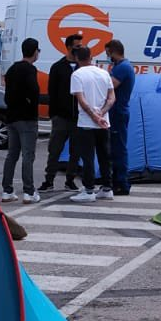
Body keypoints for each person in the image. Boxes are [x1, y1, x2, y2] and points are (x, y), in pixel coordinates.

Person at [67, 44, 114, 203]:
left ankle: (89, 190)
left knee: (88, 157)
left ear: (77, 58)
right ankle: (107, 188)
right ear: (91, 56)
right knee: (104, 156)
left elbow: (81, 100)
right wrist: (102, 112)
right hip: (104, 122)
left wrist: (94, 115)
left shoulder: (77, 75)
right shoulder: (104, 73)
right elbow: (112, 98)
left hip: (87, 123)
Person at [1, 38, 42, 202]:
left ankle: (7, 190)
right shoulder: (30, 70)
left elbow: (7, 94)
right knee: (28, 155)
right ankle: (29, 191)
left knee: (12, 154)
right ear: (34, 52)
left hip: (12, 117)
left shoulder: (12, 69)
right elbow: (34, 92)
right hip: (27, 118)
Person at [40, 34, 82, 192]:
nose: (79, 49)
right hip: (61, 117)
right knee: (55, 149)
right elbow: (52, 92)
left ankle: (70, 180)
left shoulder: (81, 67)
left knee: (75, 151)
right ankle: (48, 180)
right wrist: (54, 115)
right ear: (69, 47)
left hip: (78, 117)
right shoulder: (57, 67)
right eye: (77, 46)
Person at [106, 39, 135, 195]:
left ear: (113, 51)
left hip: (118, 112)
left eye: (108, 52)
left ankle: (121, 183)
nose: (107, 56)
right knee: (115, 148)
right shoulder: (119, 66)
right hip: (116, 112)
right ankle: (116, 180)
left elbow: (110, 86)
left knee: (119, 148)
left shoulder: (123, 67)